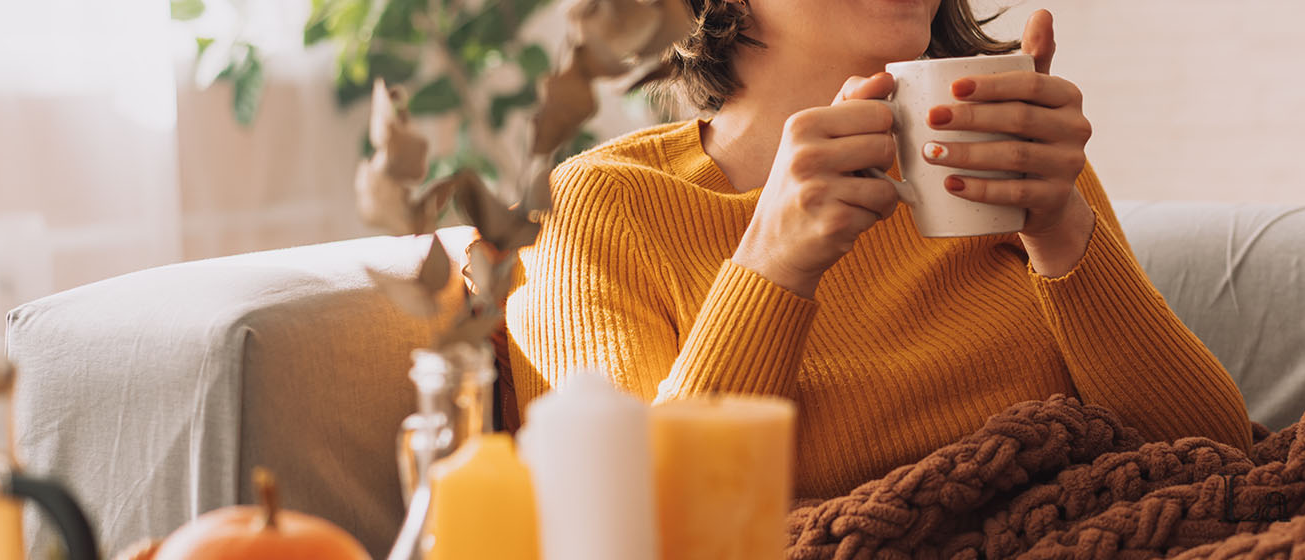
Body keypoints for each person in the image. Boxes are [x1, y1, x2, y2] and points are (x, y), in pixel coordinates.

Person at [507, 1, 1250, 499]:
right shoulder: (599, 206)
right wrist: (773, 264)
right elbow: (632, 527)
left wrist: (1061, 226)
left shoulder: (1003, 149)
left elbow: (1222, 460)